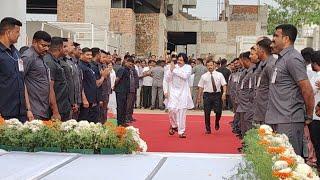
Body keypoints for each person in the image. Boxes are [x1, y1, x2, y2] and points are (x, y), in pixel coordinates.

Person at [266, 24, 314, 156]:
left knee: (290, 162)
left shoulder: (293, 58)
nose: (273, 39)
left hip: (289, 120)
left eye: (276, 35)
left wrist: (308, 115)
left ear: (286, 39)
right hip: (277, 119)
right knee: (278, 163)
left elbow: (307, 89)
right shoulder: (281, 59)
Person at [22, 31, 61, 120]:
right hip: (34, 111)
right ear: (34, 42)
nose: (46, 48)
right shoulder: (28, 57)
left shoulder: (41, 57)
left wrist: (54, 110)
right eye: (43, 45)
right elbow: (20, 81)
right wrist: (28, 109)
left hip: (43, 109)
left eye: (48, 46)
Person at [0, 17, 30, 122]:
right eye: (17, 32)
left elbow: (22, 80)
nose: (19, 35)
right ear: (8, 32)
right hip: (4, 112)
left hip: (21, 112)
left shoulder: (16, 53)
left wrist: (28, 109)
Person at [164, 53, 194, 138]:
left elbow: (185, 76)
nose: (179, 62)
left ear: (185, 61)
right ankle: (174, 125)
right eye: (178, 60)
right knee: (171, 110)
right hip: (173, 92)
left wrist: (174, 70)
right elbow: (167, 79)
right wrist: (170, 70)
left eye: (181, 60)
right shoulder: (173, 66)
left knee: (181, 113)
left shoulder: (188, 67)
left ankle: (181, 132)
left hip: (183, 92)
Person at [43, 37, 71, 121]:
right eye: (64, 47)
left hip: (62, 107)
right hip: (56, 109)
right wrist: (55, 111)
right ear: (60, 48)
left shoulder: (56, 61)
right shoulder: (49, 62)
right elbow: (50, 88)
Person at [197, 60, 227, 134]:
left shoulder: (219, 75)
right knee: (207, 112)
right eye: (208, 66)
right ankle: (208, 129)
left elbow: (224, 84)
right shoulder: (203, 76)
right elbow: (200, 87)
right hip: (207, 95)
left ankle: (217, 121)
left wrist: (224, 93)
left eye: (211, 65)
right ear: (206, 66)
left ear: (214, 66)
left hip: (217, 94)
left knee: (218, 111)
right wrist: (199, 97)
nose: (210, 67)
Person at [253, 37, 275, 124]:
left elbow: (273, 89)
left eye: (257, 49)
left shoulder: (271, 65)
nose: (256, 52)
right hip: (260, 108)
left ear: (262, 50)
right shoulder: (262, 64)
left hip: (267, 110)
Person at [309, 50, 320, 171]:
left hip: (316, 116)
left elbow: (310, 92)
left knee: (317, 144)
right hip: (315, 115)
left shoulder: (317, 76)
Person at [114, 58, 133, 126]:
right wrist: (114, 86)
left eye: (132, 65)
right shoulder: (122, 69)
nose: (131, 65)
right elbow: (117, 79)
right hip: (120, 91)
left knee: (124, 107)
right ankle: (119, 123)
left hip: (125, 91)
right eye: (130, 64)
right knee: (120, 107)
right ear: (126, 62)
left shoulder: (128, 70)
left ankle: (123, 122)